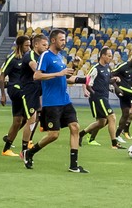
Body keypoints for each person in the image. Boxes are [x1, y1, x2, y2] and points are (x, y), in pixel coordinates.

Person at [23, 28, 86, 173]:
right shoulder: (46, 56)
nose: (64, 42)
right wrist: (60, 73)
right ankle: (30, 152)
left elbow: (65, 77)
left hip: (65, 100)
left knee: (75, 127)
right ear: (53, 40)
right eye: (61, 39)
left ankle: (73, 165)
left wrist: (74, 67)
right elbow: (37, 76)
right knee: (53, 135)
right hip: (52, 102)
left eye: (65, 40)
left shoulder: (60, 57)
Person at [0, 35, 36, 157]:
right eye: (26, 45)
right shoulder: (13, 58)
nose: (28, 47)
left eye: (29, 45)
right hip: (16, 90)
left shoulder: (29, 58)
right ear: (19, 46)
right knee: (32, 116)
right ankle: (25, 148)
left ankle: (6, 148)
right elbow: (2, 75)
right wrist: (3, 94)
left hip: (24, 90)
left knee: (18, 121)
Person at [80, 47, 123, 148]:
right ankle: (114, 143)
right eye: (109, 55)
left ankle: (81, 134)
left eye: (111, 55)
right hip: (98, 97)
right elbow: (86, 80)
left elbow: (106, 82)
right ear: (102, 55)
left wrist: (114, 80)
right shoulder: (96, 68)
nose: (110, 57)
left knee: (101, 122)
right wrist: (89, 91)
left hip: (104, 96)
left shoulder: (107, 68)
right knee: (112, 117)